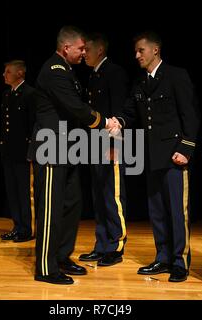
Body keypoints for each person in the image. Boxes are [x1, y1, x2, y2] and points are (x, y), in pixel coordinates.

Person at [30, 26, 119, 285]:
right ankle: (46, 268)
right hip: (50, 148)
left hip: (66, 149)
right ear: (66, 47)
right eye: (81, 48)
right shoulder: (54, 71)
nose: (84, 52)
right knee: (50, 209)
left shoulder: (68, 71)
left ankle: (61, 256)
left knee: (71, 205)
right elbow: (75, 108)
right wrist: (105, 122)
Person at [114, 31, 200, 282]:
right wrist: (116, 122)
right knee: (157, 211)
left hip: (174, 156)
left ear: (155, 50)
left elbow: (190, 115)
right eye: (136, 51)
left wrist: (186, 148)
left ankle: (179, 261)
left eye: (141, 50)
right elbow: (130, 112)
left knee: (176, 210)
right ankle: (162, 257)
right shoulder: (141, 82)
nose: (137, 55)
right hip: (152, 157)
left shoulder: (176, 76)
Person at [79, 33, 129, 266]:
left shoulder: (114, 72)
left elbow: (117, 112)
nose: (83, 53)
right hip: (94, 144)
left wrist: (114, 145)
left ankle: (115, 246)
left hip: (110, 145)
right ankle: (101, 244)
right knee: (99, 197)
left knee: (112, 196)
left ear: (100, 50)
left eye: (87, 49)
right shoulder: (95, 75)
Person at [0, 60, 36, 242]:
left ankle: (28, 229)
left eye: (8, 72)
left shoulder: (30, 94)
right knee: (12, 192)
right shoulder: (7, 94)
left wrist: (32, 151)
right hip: (9, 151)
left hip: (24, 152)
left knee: (25, 192)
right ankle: (17, 226)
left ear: (20, 73)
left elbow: (33, 125)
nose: (4, 75)